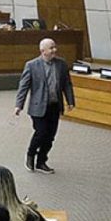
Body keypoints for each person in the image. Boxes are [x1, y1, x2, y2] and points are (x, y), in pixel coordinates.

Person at [15, 38, 75, 174]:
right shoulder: (31, 65)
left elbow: (67, 84)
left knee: (50, 136)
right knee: (41, 133)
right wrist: (19, 105)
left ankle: (41, 162)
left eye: (55, 47)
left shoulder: (61, 64)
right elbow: (23, 86)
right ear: (43, 51)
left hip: (54, 106)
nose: (54, 50)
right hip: (38, 107)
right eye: (51, 48)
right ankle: (31, 154)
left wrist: (70, 101)